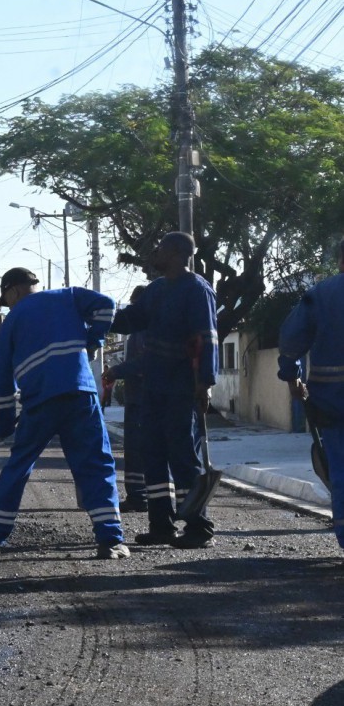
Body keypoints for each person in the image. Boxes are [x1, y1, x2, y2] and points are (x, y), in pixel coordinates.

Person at [0, 267, 129, 560]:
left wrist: (4, 425)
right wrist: (94, 339)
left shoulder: (11, 322)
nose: (8, 303)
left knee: (18, 467)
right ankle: (110, 540)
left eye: (6, 297)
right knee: (95, 464)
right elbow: (107, 304)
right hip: (80, 395)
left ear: (13, 290)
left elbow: (2, 383)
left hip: (40, 402)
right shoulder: (67, 297)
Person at [111, 232, 218, 548]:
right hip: (154, 387)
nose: (154, 253)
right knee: (153, 455)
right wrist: (99, 315)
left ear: (175, 253)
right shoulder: (155, 291)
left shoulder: (198, 290)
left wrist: (205, 383)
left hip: (182, 388)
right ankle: (162, 526)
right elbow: (130, 320)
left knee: (183, 456)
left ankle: (199, 528)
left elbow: (208, 338)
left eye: (160, 248)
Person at [278, 238, 344, 554]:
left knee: (341, 471)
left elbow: (291, 341)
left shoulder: (320, 295)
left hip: (332, 401)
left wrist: (292, 377)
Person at [108, 285, 148, 513]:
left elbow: (144, 363)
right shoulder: (136, 332)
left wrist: (117, 371)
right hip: (135, 398)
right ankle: (138, 495)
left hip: (143, 399)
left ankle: (140, 497)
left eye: (134, 305)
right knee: (133, 450)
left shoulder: (145, 330)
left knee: (139, 451)